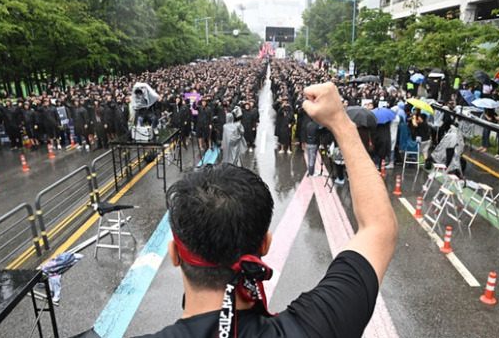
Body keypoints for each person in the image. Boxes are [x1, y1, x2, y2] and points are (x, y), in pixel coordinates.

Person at [136, 82, 398, 338]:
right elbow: (378, 228)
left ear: (174, 254)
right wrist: (341, 122)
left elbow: (379, 229)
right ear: (264, 245)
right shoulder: (316, 326)